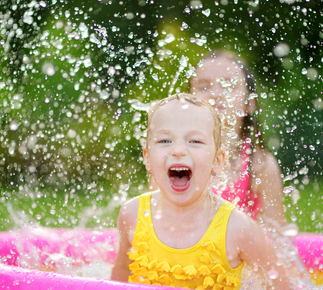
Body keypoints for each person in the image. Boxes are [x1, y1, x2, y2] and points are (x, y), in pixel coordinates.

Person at [111, 94, 292, 289]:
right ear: (147, 158)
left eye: (195, 141)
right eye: (164, 141)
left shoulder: (239, 229)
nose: (178, 150)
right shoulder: (132, 215)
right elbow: (120, 276)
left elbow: (281, 285)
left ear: (218, 160)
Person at [190, 50, 286, 229]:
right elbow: (153, 225)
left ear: (250, 103)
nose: (216, 94)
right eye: (204, 87)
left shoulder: (261, 166)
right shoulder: (173, 160)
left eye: (229, 86)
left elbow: (279, 239)